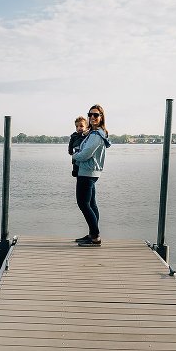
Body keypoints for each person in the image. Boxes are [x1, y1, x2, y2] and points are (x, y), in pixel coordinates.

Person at [72, 104, 111, 247]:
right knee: (91, 204)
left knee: (83, 203)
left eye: (96, 115)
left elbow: (86, 153)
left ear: (101, 117)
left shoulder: (96, 135)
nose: (92, 117)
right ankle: (92, 234)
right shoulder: (94, 133)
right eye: (90, 115)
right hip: (91, 172)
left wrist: (75, 155)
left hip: (87, 172)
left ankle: (95, 237)